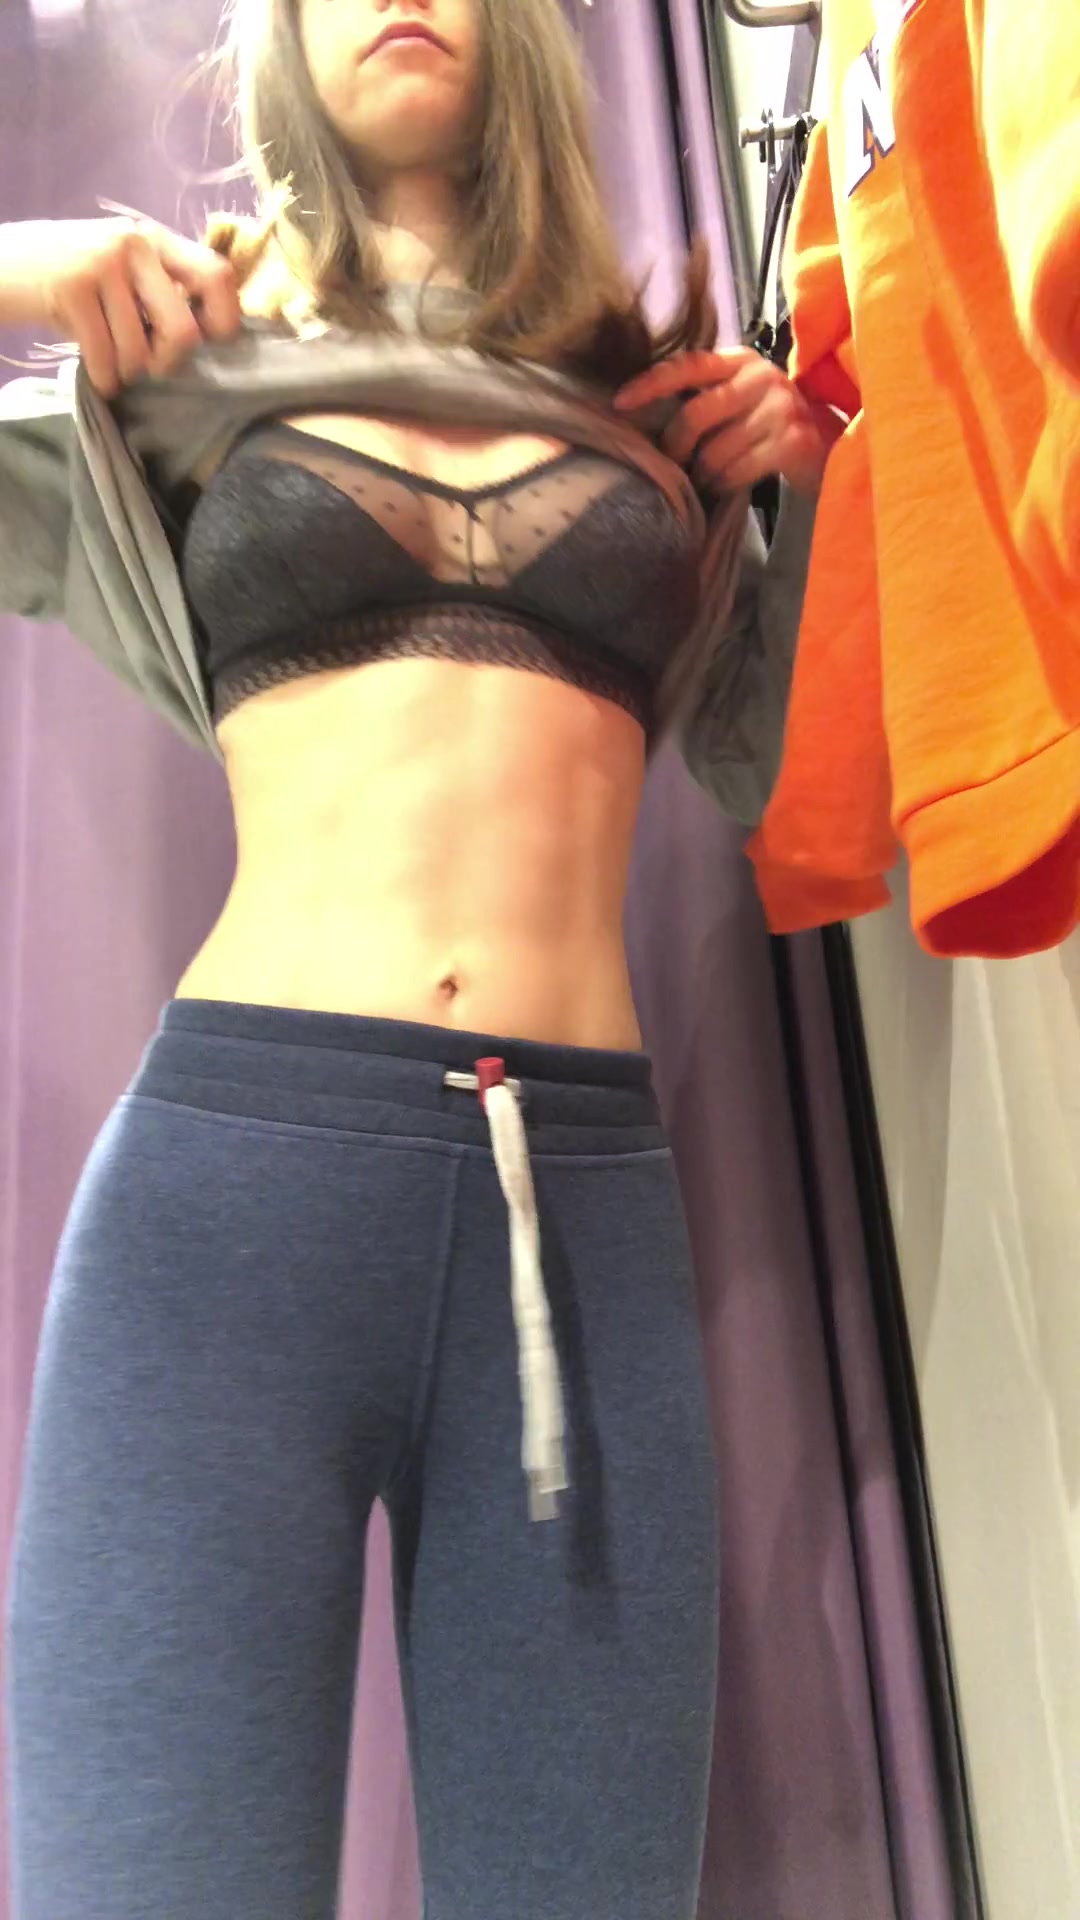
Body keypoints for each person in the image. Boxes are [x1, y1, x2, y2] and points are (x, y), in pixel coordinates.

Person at [1, 4, 837, 1917]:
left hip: (581, 1220)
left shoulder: (664, 410)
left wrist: (805, 485)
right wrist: (24, 274)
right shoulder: (190, 372)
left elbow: (806, 781)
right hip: (229, 1214)